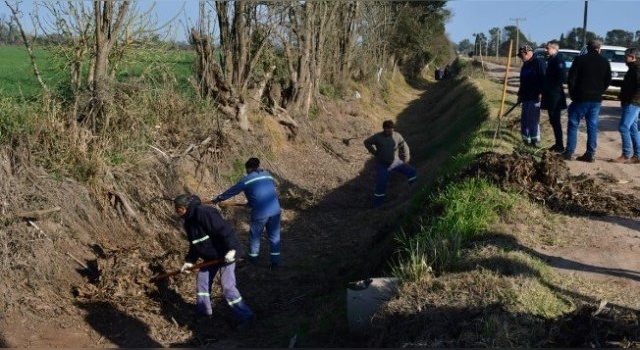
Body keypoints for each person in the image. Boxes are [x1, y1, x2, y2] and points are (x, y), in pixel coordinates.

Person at [173, 194, 255, 330]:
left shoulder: (204, 213)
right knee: (202, 281)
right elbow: (196, 244)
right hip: (211, 258)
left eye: (179, 209)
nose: (177, 212)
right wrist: (190, 261)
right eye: (177, 209)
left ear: (186, 207)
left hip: (226, 254)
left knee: (227, 286)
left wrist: (233, 249)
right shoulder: (189, 222)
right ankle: (203, 311)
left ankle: (246, 316)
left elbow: (225, 230)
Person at [212, 157, 282, 269]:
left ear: (248, 168)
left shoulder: (247, 180)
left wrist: (218, 198)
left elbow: (233, 191)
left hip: (260, 213)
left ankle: (253, 262)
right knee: (274, 237)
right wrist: (251, 201)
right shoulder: (267, 174)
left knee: (255, 237)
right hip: (275, 210)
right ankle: (275, 263)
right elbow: (263, 190)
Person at [563, 39, 612, 163]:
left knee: (574, 123)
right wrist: (600, 91)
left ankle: (569, 151)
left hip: (580, 97)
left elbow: (571, 79)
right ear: (599, 48)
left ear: (588, 48)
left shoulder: (580, 60)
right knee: (592, 125)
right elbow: (608, 80)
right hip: (596, 99)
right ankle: (590, 153)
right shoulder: (605, 61)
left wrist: (572, 94)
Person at [363, 120, 417, 208]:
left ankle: (414, 191)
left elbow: (405, 147)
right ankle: (378, 206)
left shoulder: (397, 136)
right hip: (382, 165)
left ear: (393, 128)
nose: (388, 130)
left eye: (390, 128)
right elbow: (366, 142)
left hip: (396, 162)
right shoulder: (377, 137)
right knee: (381, 184)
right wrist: (374, 152)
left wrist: (406, 160)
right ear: (383, 128)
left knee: (411, 171)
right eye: (386, 128)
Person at [612, 47, 640, 164]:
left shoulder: (637, 69)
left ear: (632, 57)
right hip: (630, 102)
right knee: (633, 129)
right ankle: (637, 155)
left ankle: (626, 154)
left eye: (625, 57)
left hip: (632, 103)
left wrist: (632, 100)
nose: (624, 59)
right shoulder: (633, 68)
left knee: (623, 127)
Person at [516, 44, 547, 147]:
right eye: (520, 56)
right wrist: (519, 95)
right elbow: (522, 82)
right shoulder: (525, 65)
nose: (521, 58)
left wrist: (542, 92)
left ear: (528, 53)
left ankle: (535, 141)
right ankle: (526, 140)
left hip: (535, 96)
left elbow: (543, 78)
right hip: (525, 96)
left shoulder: (538, 62)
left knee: (533, 119)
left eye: (522, 55)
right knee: (524, 119)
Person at [541, 40, 568, 153]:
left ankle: (560, 145)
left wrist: (551, 86)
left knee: (555, 120)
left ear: (554, 49)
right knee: (553, 120)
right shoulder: (551, 59)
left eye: (547, 48)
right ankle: (558, 143)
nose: (545, 50)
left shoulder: (558, 59)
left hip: (555, 96)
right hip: (550, 94)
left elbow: (562, 77)